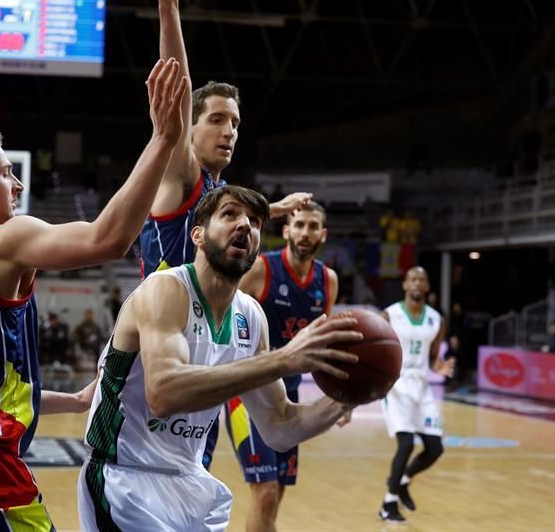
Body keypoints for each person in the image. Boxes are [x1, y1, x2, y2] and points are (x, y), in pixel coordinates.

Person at [0, 58, 188, 530]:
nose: (19, 184)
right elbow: (107, 239)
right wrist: (163, 140)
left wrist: (72, 401)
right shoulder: (0, 239)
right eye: (7, 173)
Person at [77, 186, 362, 532]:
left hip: (191, 481)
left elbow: (281, 425)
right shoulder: (166, 290)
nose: (245, 225)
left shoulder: (252, 317)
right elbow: (164, 394)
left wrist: (350, 397)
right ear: (198, 234)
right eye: (230, 214)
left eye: (255, 221)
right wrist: (284, 360)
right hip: (125, 480)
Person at [139, 0, 312, 279]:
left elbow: (239, 208)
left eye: (235, 123)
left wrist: (281, 207)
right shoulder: (184, 174)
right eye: (217, 120)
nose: (229, 131)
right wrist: (168, 9)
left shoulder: (217, 188)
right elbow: (179, 92)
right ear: (190, 128)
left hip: (203, 318)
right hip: (166, 317)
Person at [220, 201, 343, 532]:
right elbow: (222, 311)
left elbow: (324, 342)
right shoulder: (261, 269)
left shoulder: (327, 280)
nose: (305, 232)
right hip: (247, 394)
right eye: (299, 224)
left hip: (287, 396)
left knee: (277, 496)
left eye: (313, 226)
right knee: (266, 493)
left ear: (323, 234)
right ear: (286, 230)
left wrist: (340, 396)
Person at [379, 266, 455, 523]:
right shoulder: (389, 314)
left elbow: (433, 357)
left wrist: (440, 366)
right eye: (412, 278)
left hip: (421, 386)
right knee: (407, 443)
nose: (416, 283)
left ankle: (402, 481)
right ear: (405, 285)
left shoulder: (436, 319)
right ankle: (388, 504)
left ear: (427, 287)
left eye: (421, 279)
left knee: (435, 448)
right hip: (397, 385)